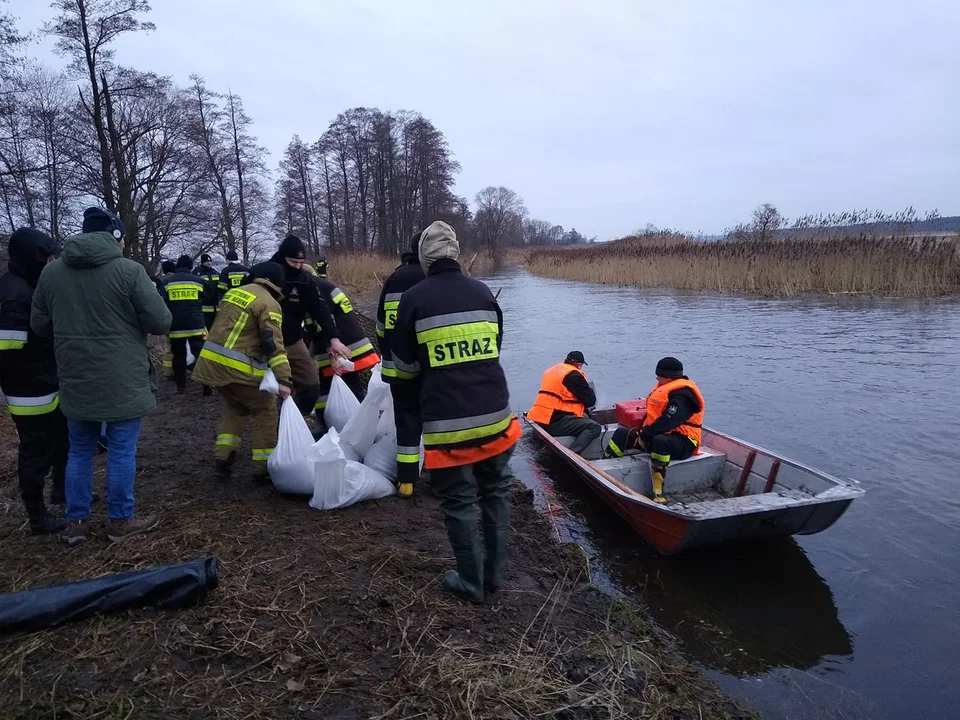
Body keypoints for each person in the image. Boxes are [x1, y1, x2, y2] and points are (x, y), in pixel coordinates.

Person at [392, 221, 521, 603]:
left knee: (459, 501)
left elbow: (403, 369)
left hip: (448, 425)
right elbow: (494, 348)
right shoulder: (483, 293)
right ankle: (494, 575)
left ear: (424, 259)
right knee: (497, 491)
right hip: (497, 416)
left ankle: (471, 581)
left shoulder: (413, 299)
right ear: (457, 255)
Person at [31, 206, 172, 546]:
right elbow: (160, 322)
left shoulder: (52, 274)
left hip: (75, 377)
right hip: (122, 378)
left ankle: (75, 521)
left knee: (79, 449)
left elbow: (39, 325)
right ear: (116, 237)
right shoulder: (129, 272)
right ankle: (120, 522)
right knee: (122, 449)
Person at [192, 262, 292, 483]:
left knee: (236, 408)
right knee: (265, 410)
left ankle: (223, 456)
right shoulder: (269, 303)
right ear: (277, 285)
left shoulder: (234, 293)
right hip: (237, 366)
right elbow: (272, 342)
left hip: (212, 366)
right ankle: (263, 468)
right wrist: (284, 378)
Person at [0, 227, 68, 534]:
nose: (49, 262)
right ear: (30, 257)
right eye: (45, 257)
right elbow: (8, 350)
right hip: (30, 389)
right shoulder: (16, 293)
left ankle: (60, 490)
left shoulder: (23, 284)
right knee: (35, 452)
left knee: (60, 440)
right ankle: (38, 517)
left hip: (44, 382)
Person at [604, 357, 704, 503]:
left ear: (667, 377)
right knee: (622, 434)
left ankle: (658, 491)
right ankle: (605, 467)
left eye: (659, 375)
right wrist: (641, 432)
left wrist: (644, 435)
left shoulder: (684, 396)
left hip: (684, 442)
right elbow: (653, 417)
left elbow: (668, 421)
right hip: (655, 435)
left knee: (660, 441)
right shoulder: (665, 387)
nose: (656, 378)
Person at [268, 235, 349, 415]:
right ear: (282, 257)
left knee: (311, 386)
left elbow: (320, 309)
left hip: (292, 340)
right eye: (292, 262)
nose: (297, 266)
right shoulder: (265, 274)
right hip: (264, 341)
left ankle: (293, 421)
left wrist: (333, 337)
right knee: (272, 389)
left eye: (301, 262)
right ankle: (272, 426)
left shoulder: (305, 280)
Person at [376, 232, 426, 491]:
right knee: (436, 421)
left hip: (396, 365)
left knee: (406, 420)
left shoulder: (394, 278)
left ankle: (406, 481)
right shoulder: (433, 278)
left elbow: (381, 327)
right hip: (430, 367)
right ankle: (439, 476)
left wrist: (388, 353)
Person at [309, 273, 379, 410]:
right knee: (348, 382)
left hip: (339, 344)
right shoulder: (323, 285)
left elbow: (324, 321)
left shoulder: (313, 289)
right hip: (352, 342)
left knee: (334, 382)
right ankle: (360, 415)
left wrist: (332, 353)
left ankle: (335, 419)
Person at [526, 351, 601, 454]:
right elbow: (590, 401)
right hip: (554, 421)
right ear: (579, 364)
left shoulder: (552, 370)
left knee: (584, 416)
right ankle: (573, 454)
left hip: (539, 417)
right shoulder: (574, 375)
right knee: (594, 427)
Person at [162, 254, 212, 393]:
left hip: (176, 327)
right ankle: (206, 386)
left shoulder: (167, 282)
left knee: (178, 356)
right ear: (190, 267)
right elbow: (210, 296)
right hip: (196, 326)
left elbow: (162, 302)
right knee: (200, 355)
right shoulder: (198, 281)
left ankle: (181, 386)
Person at [157, 259, 177, 379]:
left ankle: (167, 372)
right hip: (184, 319)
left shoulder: (163, 282)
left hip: (168, 318)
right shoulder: (179, 280)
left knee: (169, 346)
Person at [194, 253, 220, 331]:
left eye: (210, 261)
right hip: (203, 307)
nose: (209, 263)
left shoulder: (214, 272)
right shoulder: (197, 272)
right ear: (202, 262)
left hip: (215, 307)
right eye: (207, 261)